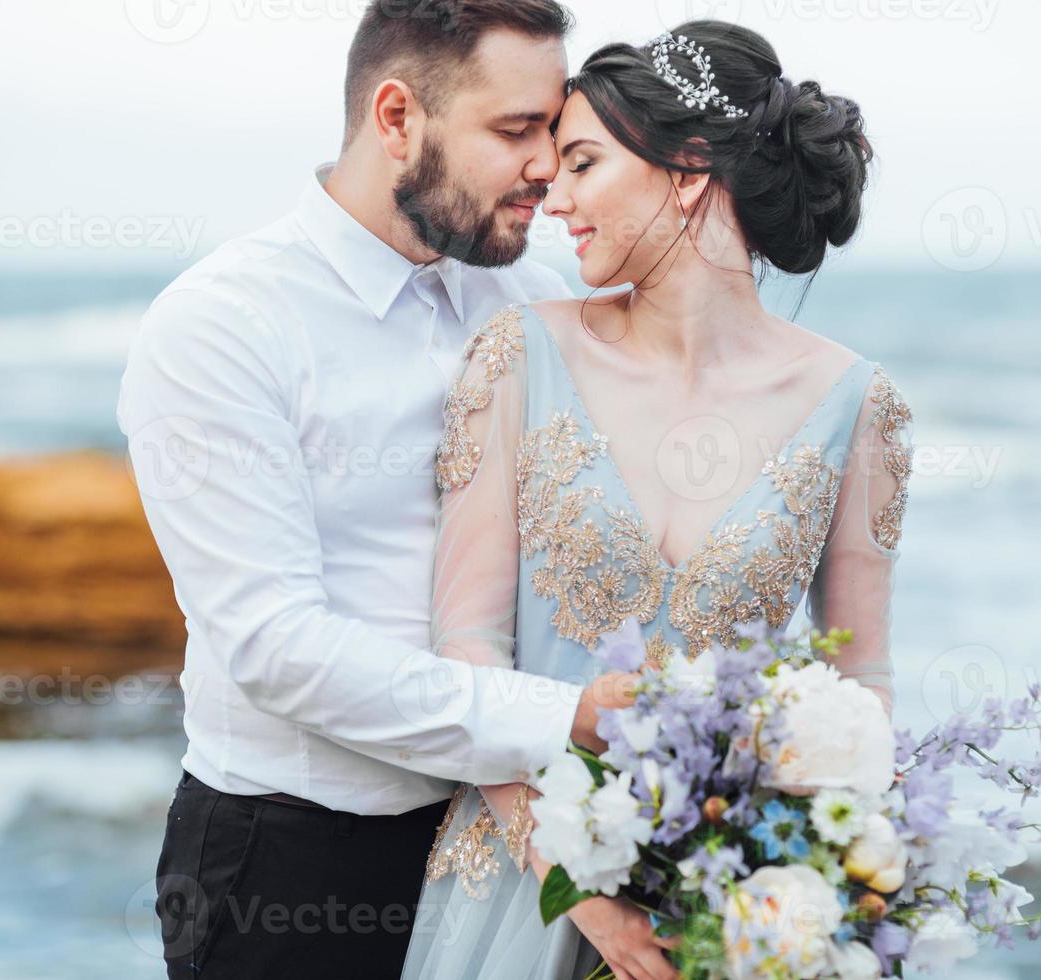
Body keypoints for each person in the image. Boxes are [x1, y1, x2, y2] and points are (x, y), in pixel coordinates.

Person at [115, 2, 639, 977]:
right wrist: (562, 713)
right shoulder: (223, 325)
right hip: (293, 864)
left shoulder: (530, 298)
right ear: (397, 118)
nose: (546, 166)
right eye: (514, 130)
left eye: (555, 132)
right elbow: (277, 646)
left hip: (511, 844)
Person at [403, 20, 913, 980]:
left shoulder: (862, 408)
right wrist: (589, 902)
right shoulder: (517, 357)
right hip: (516, 889)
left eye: (584, 163)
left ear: (686, 170)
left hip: (730, 914)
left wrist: (832, 889)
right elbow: (466, 650)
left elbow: (862, 692)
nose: (553, 195)